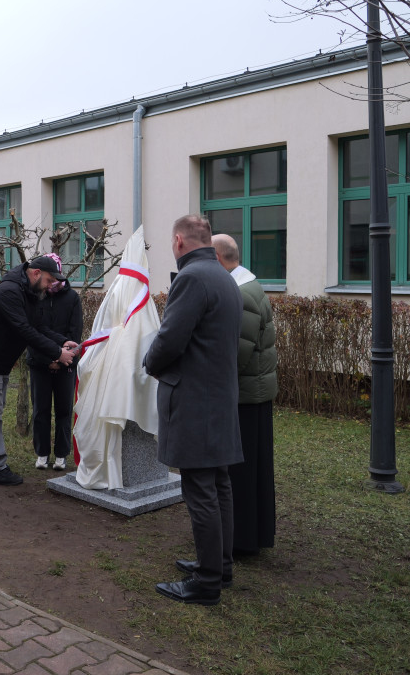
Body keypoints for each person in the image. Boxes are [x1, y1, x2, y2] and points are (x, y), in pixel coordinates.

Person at [143, 215, 243, 606]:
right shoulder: (223, 276)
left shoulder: (191, 278)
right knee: (219, 486)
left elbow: (170, 339)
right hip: (217, 398)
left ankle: (206, 583)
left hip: (195, 401)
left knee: (200, 490)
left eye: (171, 242)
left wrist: (149, 361)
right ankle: (220, 566)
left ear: (180, 241)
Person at [0, 256, 79, 485]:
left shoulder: (31, 293)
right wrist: (57, 352)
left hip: (1, 360)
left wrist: (64, 341)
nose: (50, 286)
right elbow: (25, 330)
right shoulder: (9, 292)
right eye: (48, 280)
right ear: (35, 273)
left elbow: (39, 327)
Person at [212, 233, 277, 556]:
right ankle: (248, 535)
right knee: (251, 469)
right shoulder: (246, 286)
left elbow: (237, 354)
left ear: (220, 259)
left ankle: (242, 540)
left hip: (246, 397)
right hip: (253, 393)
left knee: (243, 471)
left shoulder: (242, 294)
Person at [26, 253, 82, 471]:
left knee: (64, 410)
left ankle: (61, 455)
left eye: (54, 278)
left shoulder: (72, 298)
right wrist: (48, 359)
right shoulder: (35, 296)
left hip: (66, 365)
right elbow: (31, 332)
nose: (51, 284)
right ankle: (41, 453)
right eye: (49, 279)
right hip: (40, 364)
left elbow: (74, 332)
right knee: (40, 410)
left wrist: (62, 359)